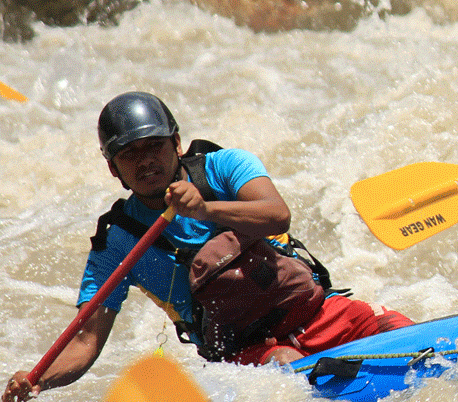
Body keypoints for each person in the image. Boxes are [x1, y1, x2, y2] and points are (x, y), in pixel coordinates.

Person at [5, 92, 411, 401]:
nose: (145, 162)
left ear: (176, 143)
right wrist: (37, 380)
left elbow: (276, 214)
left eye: (154, 147)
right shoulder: (117, 242)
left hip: (316, 312)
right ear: (114, 169)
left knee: (397, 329)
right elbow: (85, 342)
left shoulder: (225, 167)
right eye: (130, 155)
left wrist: (207, 207)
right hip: (248, 353)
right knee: (286, 368)